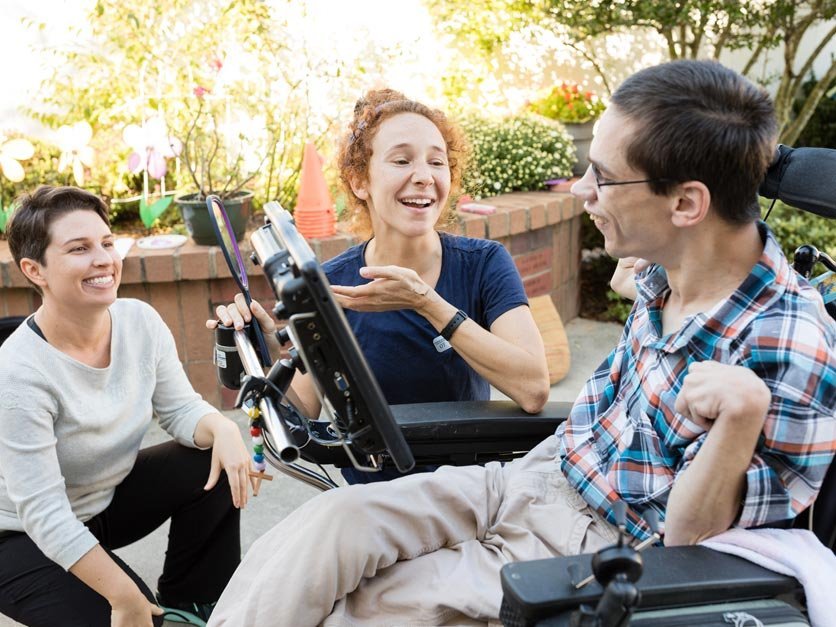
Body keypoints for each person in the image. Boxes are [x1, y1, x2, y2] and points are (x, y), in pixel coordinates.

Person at [208, 60, 836, 627]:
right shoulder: (663, 273)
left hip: (591, 543)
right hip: (532, 476)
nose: (583, 192)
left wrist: (739, 418)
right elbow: (306, 400)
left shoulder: (788, 343)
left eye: (604, 178)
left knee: (356, 612)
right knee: (325, 527)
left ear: (686, 204)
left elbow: (690, 541)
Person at [210, 88, 551, 483]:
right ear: (359, 181)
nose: (423, 176)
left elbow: (533, 387)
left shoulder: (484, 264)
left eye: (436, 162)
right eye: (402, 160)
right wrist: (269, 356)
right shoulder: (333, 284)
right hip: (373, 494)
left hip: (468, 489)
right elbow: (302, 408)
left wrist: (427, 303)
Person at [0, 186, 253, 627]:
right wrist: (124, 598)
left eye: (106, 243)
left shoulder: (139, 321)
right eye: (79, 249)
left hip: (101, 502)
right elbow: (44, 516)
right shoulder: (19, 373)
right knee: (137, 617)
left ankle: (192, 603)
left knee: (212, 457)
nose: (103, 259)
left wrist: (225, 431)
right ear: (33, 269)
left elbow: (180, 411)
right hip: (20, 536)